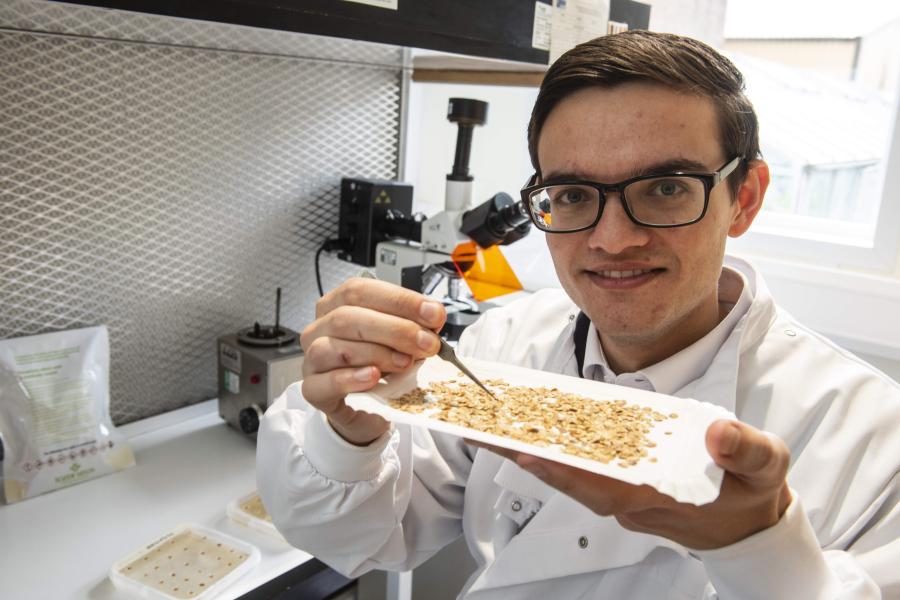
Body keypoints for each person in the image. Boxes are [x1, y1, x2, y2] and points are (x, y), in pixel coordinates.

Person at [257, 30, 900, 599]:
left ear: (745, 197)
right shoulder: (504, 344)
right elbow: (357, 535)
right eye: (571, 195)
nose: (613, 240)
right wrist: (349, 430)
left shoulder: (868, 436)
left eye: (666, 188)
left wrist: (757, 547)